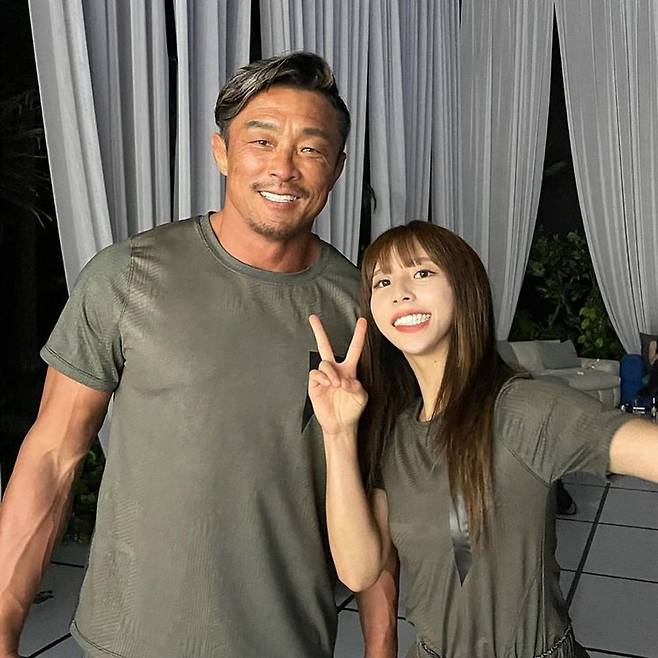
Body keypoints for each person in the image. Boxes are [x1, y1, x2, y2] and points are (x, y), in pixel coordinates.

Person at [0, 52, 361, 658]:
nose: (283, 168)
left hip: (288, 639)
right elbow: (53, 456)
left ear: (337, 168)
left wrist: (382, 642)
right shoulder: (127, 276)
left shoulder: (360, 306)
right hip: (130, 639)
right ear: (222, 152)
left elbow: (381, 488)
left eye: (310, 149)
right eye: (261, 141)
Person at [307, 221, 658, 658]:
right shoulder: (393, 433)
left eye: (421, 272)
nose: (400, 292)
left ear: (464, 288)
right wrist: (338, 432)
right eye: (383, 281)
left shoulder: (525, 410)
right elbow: (359, 571)